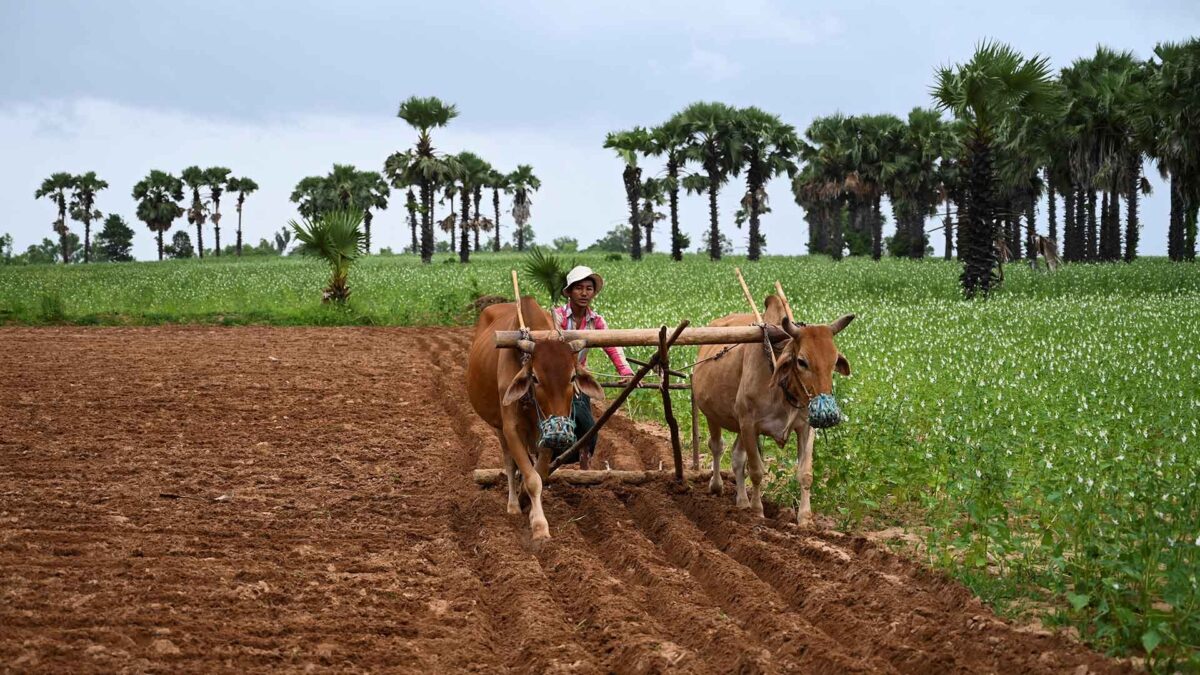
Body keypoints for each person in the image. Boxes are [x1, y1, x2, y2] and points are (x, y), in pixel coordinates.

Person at [553, 265, 634, 467]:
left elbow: (612, 345)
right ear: (569, 292)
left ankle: (579, 462)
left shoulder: (596, 321)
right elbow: (553, 348)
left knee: (588, 428)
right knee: (566, 421)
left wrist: (624, 370)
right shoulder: (557, 317)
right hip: (555, 380)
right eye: (579, 288)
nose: (584, 293)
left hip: (578, 379)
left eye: (589, 288)